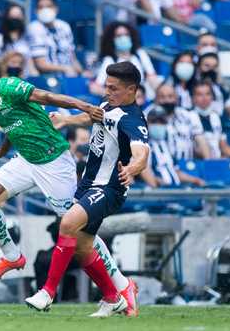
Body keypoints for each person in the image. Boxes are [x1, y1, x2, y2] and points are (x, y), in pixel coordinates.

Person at [0, 55, 138, 316]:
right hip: (26, 160)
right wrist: (2, 150)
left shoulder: (9, 87)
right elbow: (14, 125)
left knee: (79, 233)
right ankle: (12, 256)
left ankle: (122, 285)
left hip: (54, 163)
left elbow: (45, 97)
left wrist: (84, 106)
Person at [25, 61, 150, 317]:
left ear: (131, 90)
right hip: (88, 186)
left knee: (68, 224)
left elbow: (142, 153)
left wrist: (132, 169)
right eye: (106, 86)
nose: (108, 92)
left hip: (109, 188)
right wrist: (66, 120)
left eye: (114, 88)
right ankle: (113, 297)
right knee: (82, 248)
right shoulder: (108, 105)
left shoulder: (133, 120)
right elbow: (92, 115)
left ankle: (47, 292)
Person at [140, 106, 206, 187]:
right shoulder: (143, 146)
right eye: (154, 121)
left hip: (174, 191)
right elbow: (144, 170)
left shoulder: (166, 145)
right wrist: (156, 187)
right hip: (160, 194)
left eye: (161, 122)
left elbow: (175, 171)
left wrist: (195, 180)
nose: (158, 125)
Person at [90, 21, 159, 97]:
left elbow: (152, 77)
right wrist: (119, 96)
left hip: (142, 98)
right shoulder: (110, 60)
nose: (124, 38)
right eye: (119, 36)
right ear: (112, 40)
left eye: (126, 35)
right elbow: (95, 87)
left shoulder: (140, 54)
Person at [146, 83, 211, 160]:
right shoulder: (147, 116)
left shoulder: (188, 115)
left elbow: (201, 141)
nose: (167, 100)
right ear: (156, 99)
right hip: (161, 166)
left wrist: (208, 162)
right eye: (162, 97)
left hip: (186, 165)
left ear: (176, 99)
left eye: (170, 96)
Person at [191, 81, 230, 161]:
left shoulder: (216, 117)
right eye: (200, 94)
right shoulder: (188, 117)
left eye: (208, 94)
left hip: (216, 162)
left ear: (212, 97)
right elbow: (191, 149)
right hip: (197, 163)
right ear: (193, 98)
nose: (204, 98)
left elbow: (223, 147)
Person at [27, 0, 83, 76]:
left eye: (49, 6)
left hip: (68, 75)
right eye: (41, 7)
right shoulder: (34, 27)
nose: (45, 10)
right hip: (47, 78)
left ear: (56, 9)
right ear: (36, 11)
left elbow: (72, 56)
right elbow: (41, 64)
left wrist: (81, 72)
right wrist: (65, 69)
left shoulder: (64, 26)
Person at [0, 5, 36, 76]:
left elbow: (31, 65)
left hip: (24, 80)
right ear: (7, 17)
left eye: (18, 16)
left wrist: (36, 78)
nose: (15, 19)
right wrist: (7, 59)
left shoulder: (26, 41)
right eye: (12, 16)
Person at [195, 49, 226, 116]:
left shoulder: (220, 88)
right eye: (207, 66)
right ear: (198, 67)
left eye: (214, 66)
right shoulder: (191, 86)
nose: (211, 70)